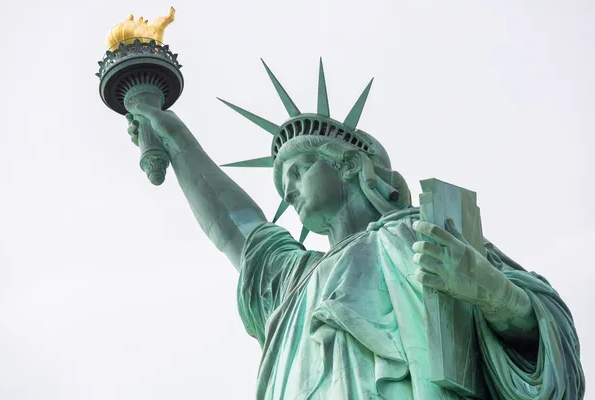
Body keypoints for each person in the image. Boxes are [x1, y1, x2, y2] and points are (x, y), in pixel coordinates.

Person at [124, 61, 584, 399]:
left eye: (298, 171)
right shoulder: (294, 279)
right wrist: (171, 134)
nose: (287, 193)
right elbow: (235, 228)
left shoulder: (423, 235)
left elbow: (547, 337)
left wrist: (492, 292)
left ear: (347, 165)